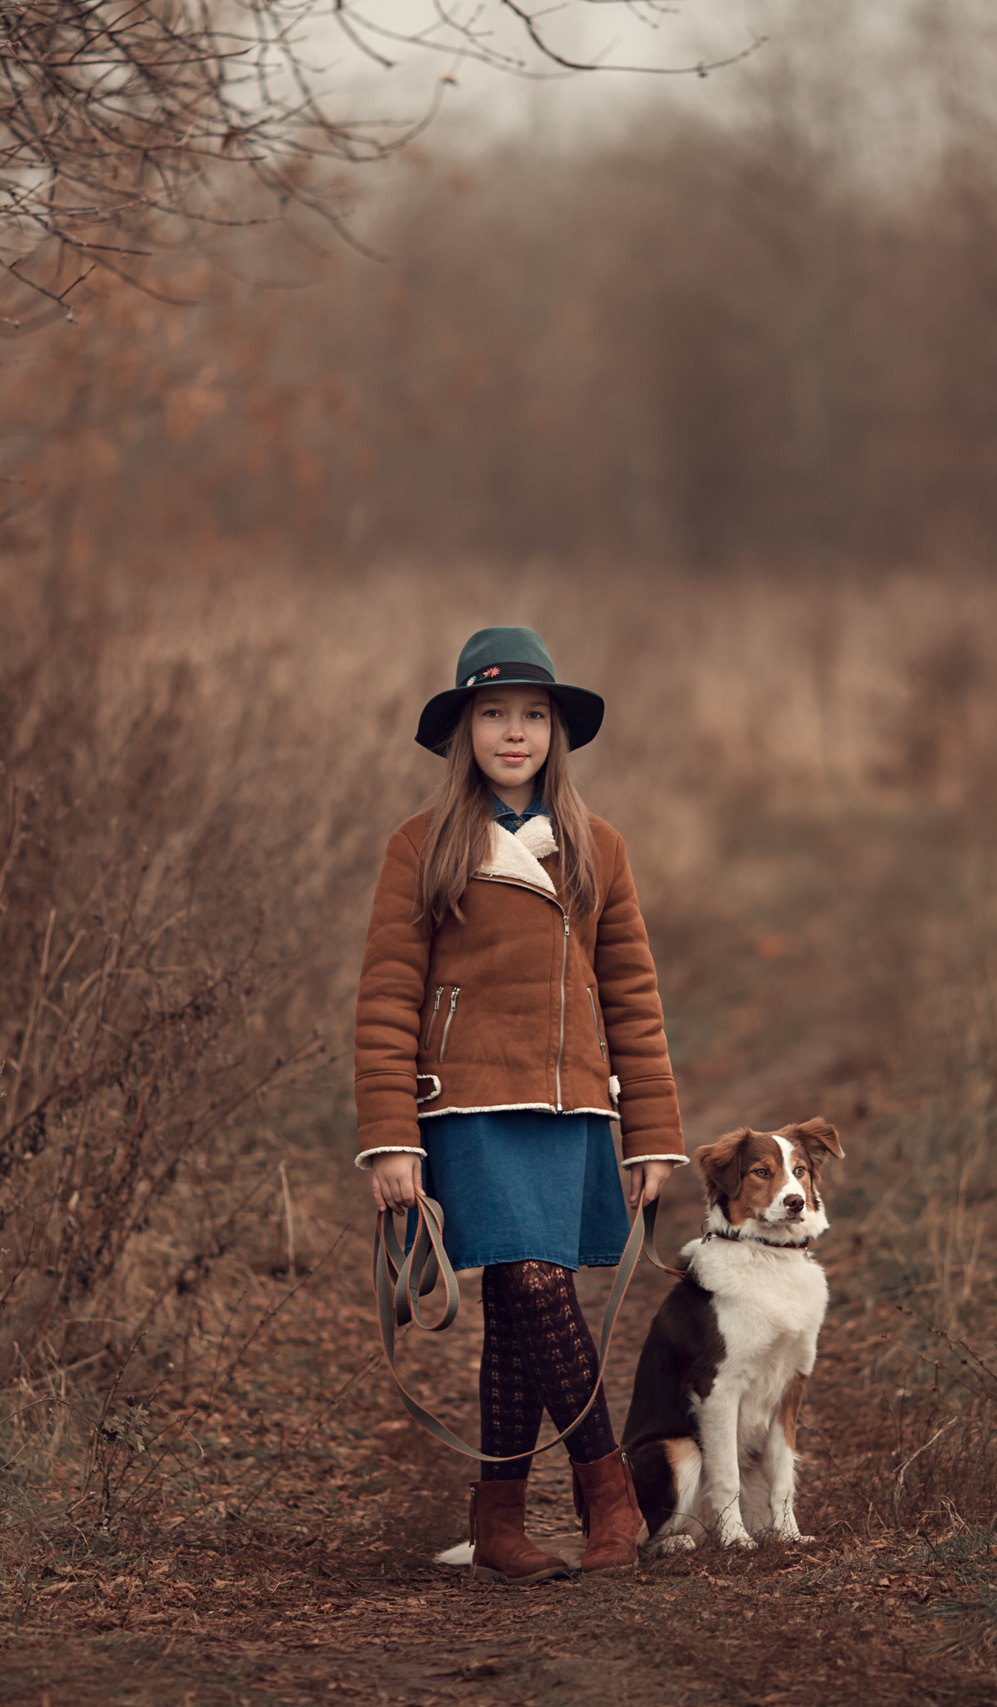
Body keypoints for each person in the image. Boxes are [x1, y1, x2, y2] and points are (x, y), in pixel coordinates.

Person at [355, 625, 687, 1584]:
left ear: (556, 731)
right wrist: (389, 1137)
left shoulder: (598, 847)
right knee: (538, 1285)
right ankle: (608, 1491)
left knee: (518, 1300)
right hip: (465, 1111)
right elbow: (385, 997)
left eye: (532, 716)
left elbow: (633, 996)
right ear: (464, 728)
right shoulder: (420, 846)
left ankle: (498, 1520)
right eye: (494, 713)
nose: (514, 732)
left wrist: (651, 1136)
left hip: (571, 1109)